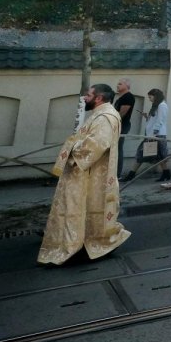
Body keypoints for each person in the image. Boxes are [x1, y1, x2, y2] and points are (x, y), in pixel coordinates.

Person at [38, 84, 131, 265]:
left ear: (98, 98)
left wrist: (71, 148)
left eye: (88, 95)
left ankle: (91, 243)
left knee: (83, 207)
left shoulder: (106, 116)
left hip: (90, 173)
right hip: (87, 171)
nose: (85, 98)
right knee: (85, 208)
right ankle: (82, 242)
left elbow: (96, 144)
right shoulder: (99, 113)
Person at [122, 88, 169, 183]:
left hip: (156, 135)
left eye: (150, 97)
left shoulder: (162, 105)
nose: (149, 99)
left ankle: (131, 175)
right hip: (152, 135)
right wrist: (147, 117)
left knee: (148, 154)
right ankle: (166, 173)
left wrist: (154, 133)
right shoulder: (156, 106)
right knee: (159, 156)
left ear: (155, 96)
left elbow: (160, 120)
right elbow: (154, 120)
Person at [113, 78, 134, 179]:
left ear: (127, 86)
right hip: (117, 125)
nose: (117, 86)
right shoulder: (121, 97)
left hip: (122, 125)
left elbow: (122, 113)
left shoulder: (128, 97)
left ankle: (117, 174)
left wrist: (113, 124)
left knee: (118, 148)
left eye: (120, 84)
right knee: (114, 149)